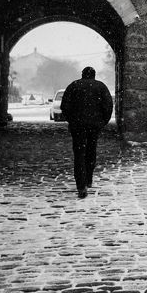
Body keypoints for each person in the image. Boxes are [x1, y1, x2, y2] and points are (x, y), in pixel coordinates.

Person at [60, 67, 113, 198]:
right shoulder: (101, 87)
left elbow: (64, 105)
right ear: (94, 75)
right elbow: (108, 106)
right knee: (91, 151)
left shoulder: (74, 86)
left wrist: (71, 120)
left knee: (79, 154)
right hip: (94, 126)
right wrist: (102, 122)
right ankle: (88, 178)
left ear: (82, 74)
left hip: (78, 126)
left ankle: (81, 185)